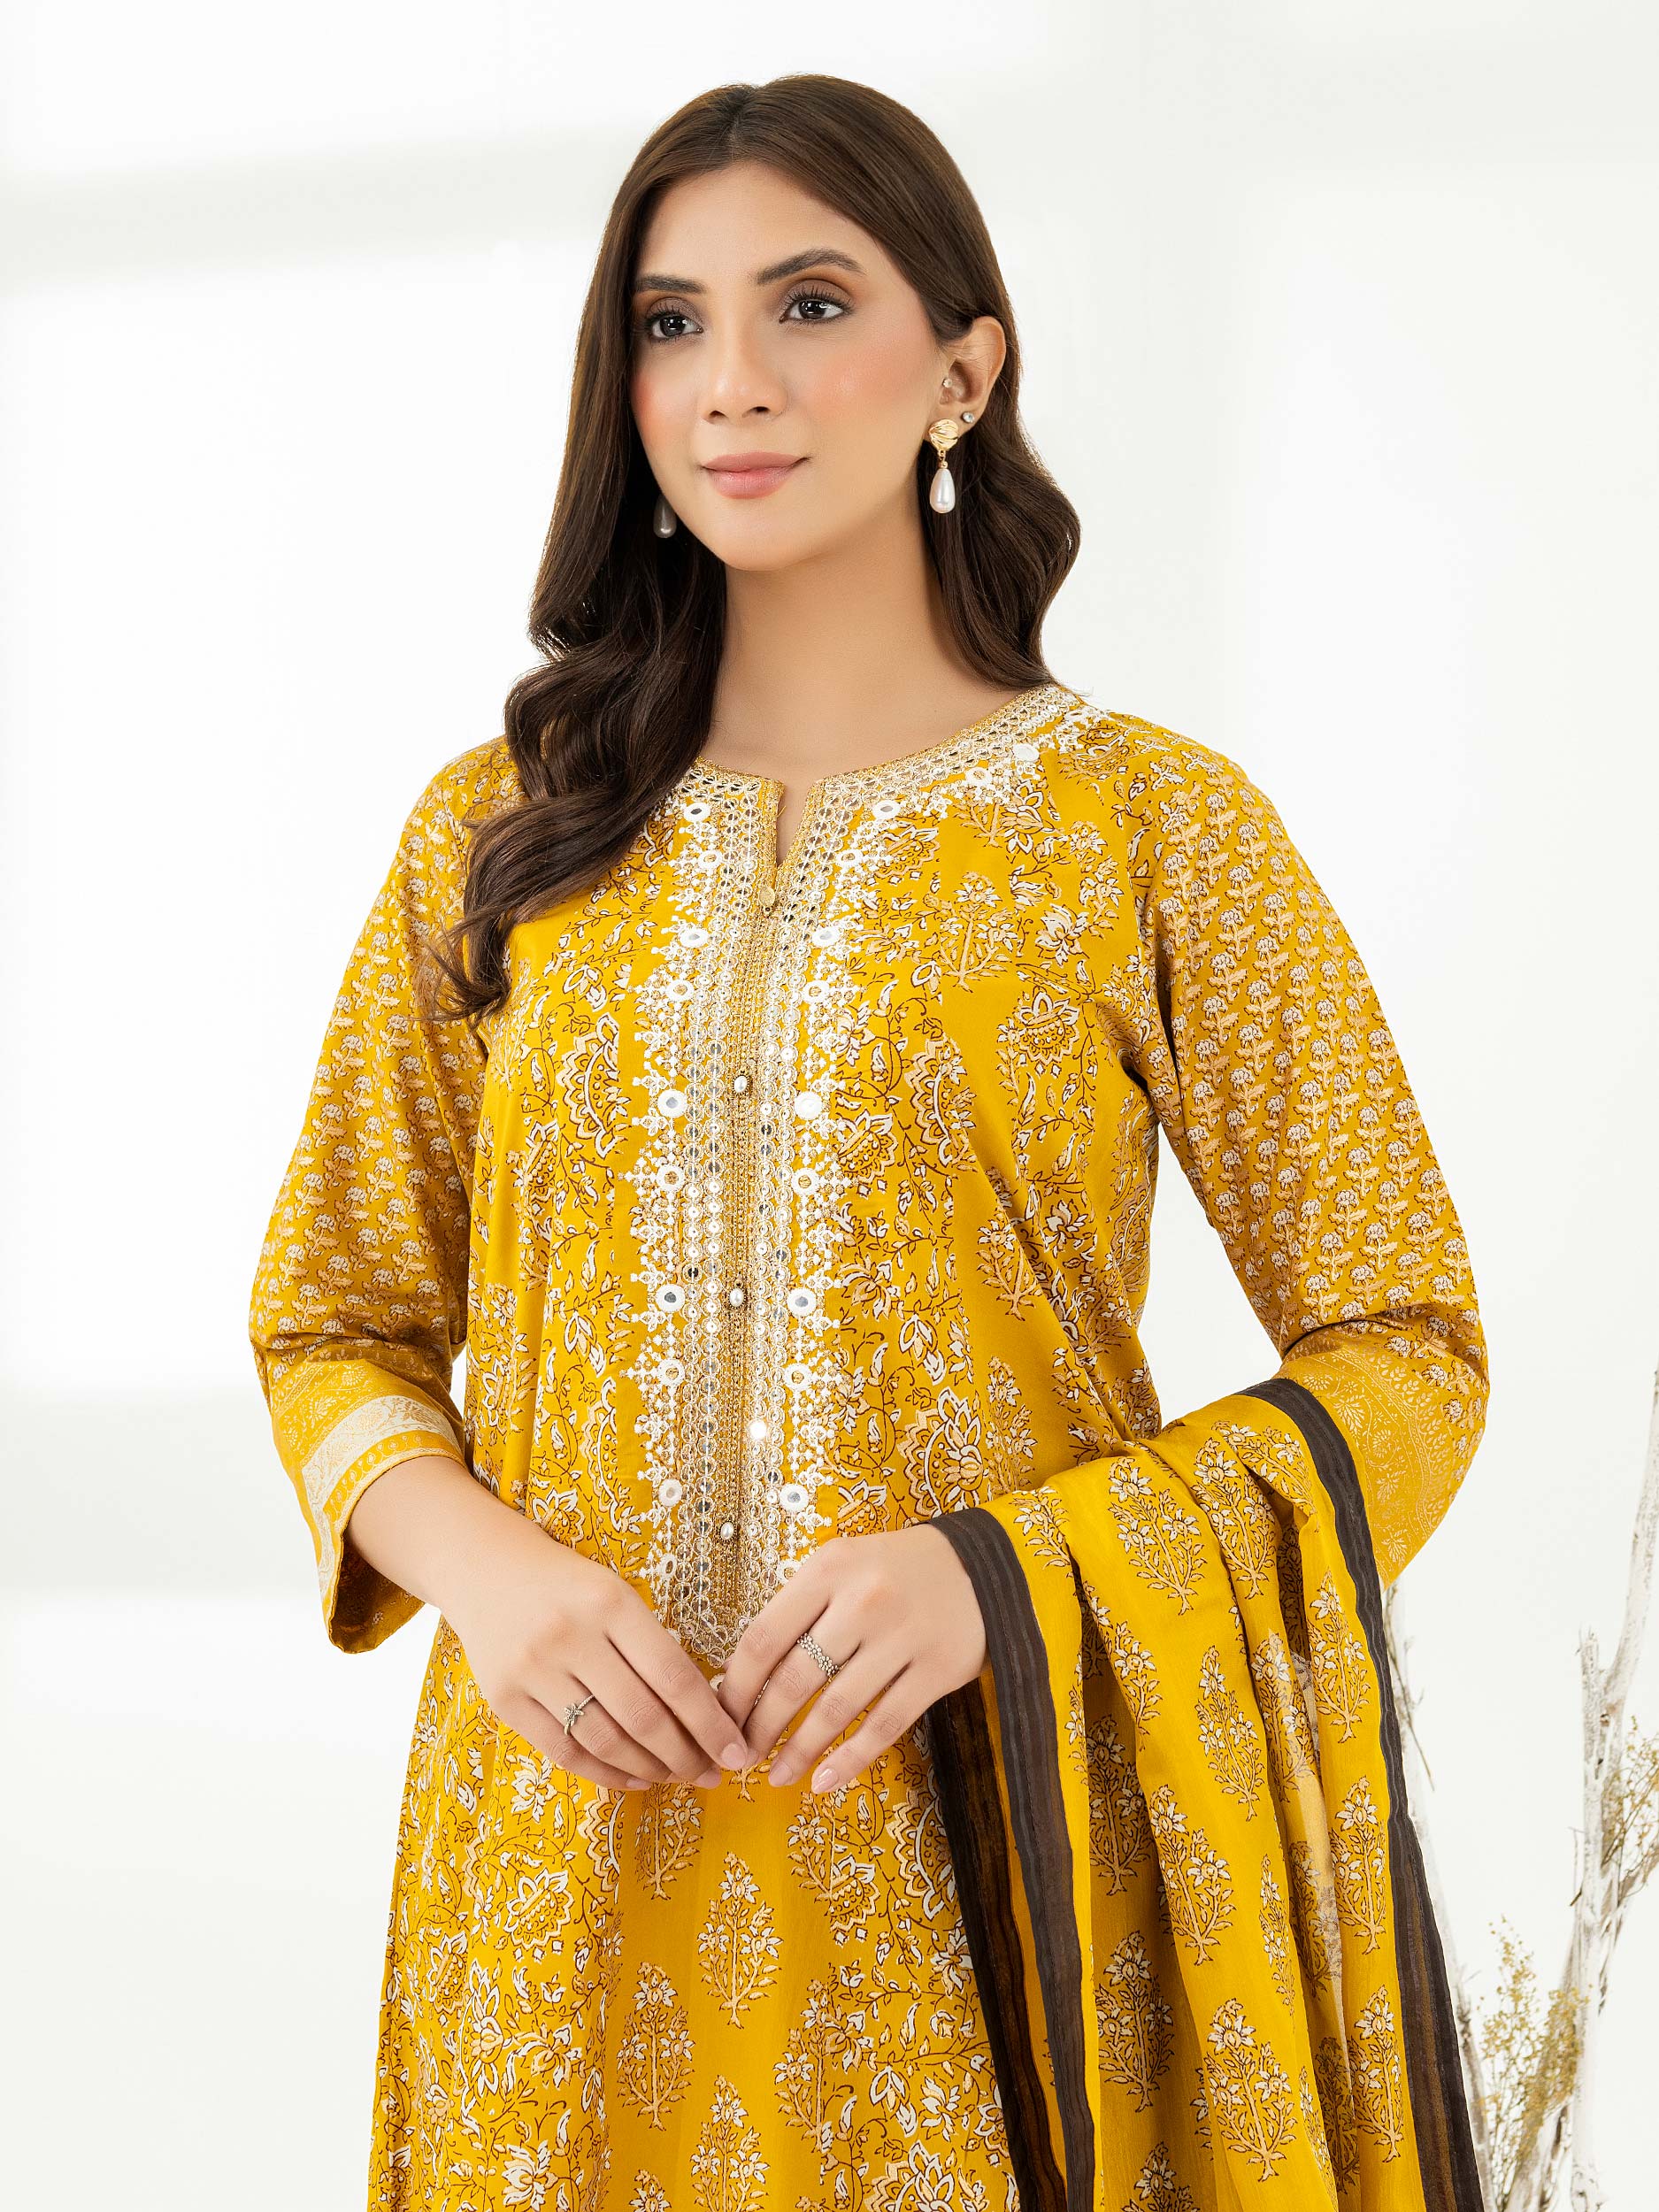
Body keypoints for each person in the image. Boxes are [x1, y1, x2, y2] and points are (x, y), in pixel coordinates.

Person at [248, 73, 1490, 2212]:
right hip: (552, 1877)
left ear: (962, 371)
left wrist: (997, 1579)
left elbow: (1406, 1353)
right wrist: (490, 1574)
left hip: (985, 1854)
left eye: (808, 304)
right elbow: (328, 1319)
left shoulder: (1149, 830)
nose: (729, 381)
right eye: (669, 322)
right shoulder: (499, 834)